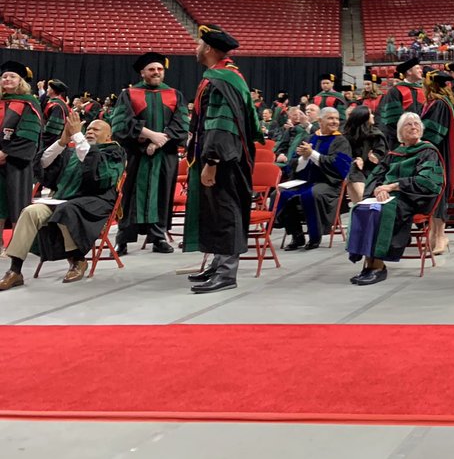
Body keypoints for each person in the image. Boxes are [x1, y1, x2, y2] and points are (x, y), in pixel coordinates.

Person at [0, 112, 125, 290]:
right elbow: (43, 164)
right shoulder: (73, 152)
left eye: (96, 130)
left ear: (108, 136)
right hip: (62, 201)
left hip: (94, 203)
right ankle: (15, 270)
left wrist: (78, 136)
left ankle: (78, 260)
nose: (89, 132)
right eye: (87, 129)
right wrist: (62, 142)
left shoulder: (115, 152)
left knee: (68, 209)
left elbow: (99, 174)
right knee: (30, 212)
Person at [183, 25, 262, 295]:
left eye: (198, 44)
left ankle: (227, 272)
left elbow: (221, 125)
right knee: (216, 211)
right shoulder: (225, 76)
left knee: (226, 211)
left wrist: (212, 161)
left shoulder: (222, 80)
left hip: (225, 159)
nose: (195, 48)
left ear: (208, 48)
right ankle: (218, 264)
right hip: (228, 156)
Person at [346, 112, 445, 284]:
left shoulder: (428, 152)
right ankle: (368, 264)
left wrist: (392, 186)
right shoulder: (394, 153)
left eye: (416, 124)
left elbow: (426, 181)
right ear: (400, 132)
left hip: (413, 198)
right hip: (389, 195)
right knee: (363, 208)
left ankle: (378, 266)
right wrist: (377, 190)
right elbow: (376, 176)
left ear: (421, 130)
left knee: (381, 211)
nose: (413, 127)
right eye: (408, 124)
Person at [109, 52, 189, 255]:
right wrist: (149, 135)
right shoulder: (129, 94)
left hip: (165, 155)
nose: (156, 72)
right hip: (135, 154)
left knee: (162, 194)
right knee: (129, 195)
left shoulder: (174, 94)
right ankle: (123, 238)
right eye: (152, 69)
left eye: (160, 69)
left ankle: (159, 237)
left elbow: (181, 124)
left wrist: (161, 141)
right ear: (142, 72)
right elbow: (119, 124)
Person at [276, 107, 353, 250]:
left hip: (329, 183)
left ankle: (314, 236)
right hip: (304, 181)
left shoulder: (341, 141)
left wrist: (312, 154)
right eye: (330, 118)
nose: (335, 121)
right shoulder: (309, 138)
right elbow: (292, 163)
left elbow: (340, 167)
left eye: (336, 118)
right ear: (320, 121)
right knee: (280, 193)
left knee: (312, 195)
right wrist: (304, 158)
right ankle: (297, 235)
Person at [419, 69, 454, 255]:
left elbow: (435, 133)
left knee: (439, 193)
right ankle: (434, 234)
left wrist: (418, 141)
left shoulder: (440, 105)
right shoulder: (433, 103)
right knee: (435, 193)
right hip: (433, 153)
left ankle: (441, 235)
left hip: (439, 155)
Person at [0, 61, 41, 235]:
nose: (7, 79)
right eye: (4, 77)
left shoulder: (29, 103)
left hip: (17, 162)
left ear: (20, 81)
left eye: (12, 76)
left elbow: (30, 132)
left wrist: (6, 152)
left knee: (17, 201)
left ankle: (17, 244)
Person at [343, 105, 386, 205]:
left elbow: (383, 155)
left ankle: (363, 201)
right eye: (370, 114)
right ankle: (362, 202)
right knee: (352, 168)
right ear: (363, 117)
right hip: (356, 171)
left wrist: (375, 158)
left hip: (373, 170)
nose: (373, 116)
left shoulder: (376, 135)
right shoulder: (347, 136)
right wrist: (356, 159)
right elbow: (343, 156)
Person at [377, 58, 425, 150]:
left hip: (419, 139)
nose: (421, 71)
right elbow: (392, 119)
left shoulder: (422, 90)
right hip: (400, 142)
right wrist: (402, 138)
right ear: (409, 72)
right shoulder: (395, 91)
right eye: (418, 68)